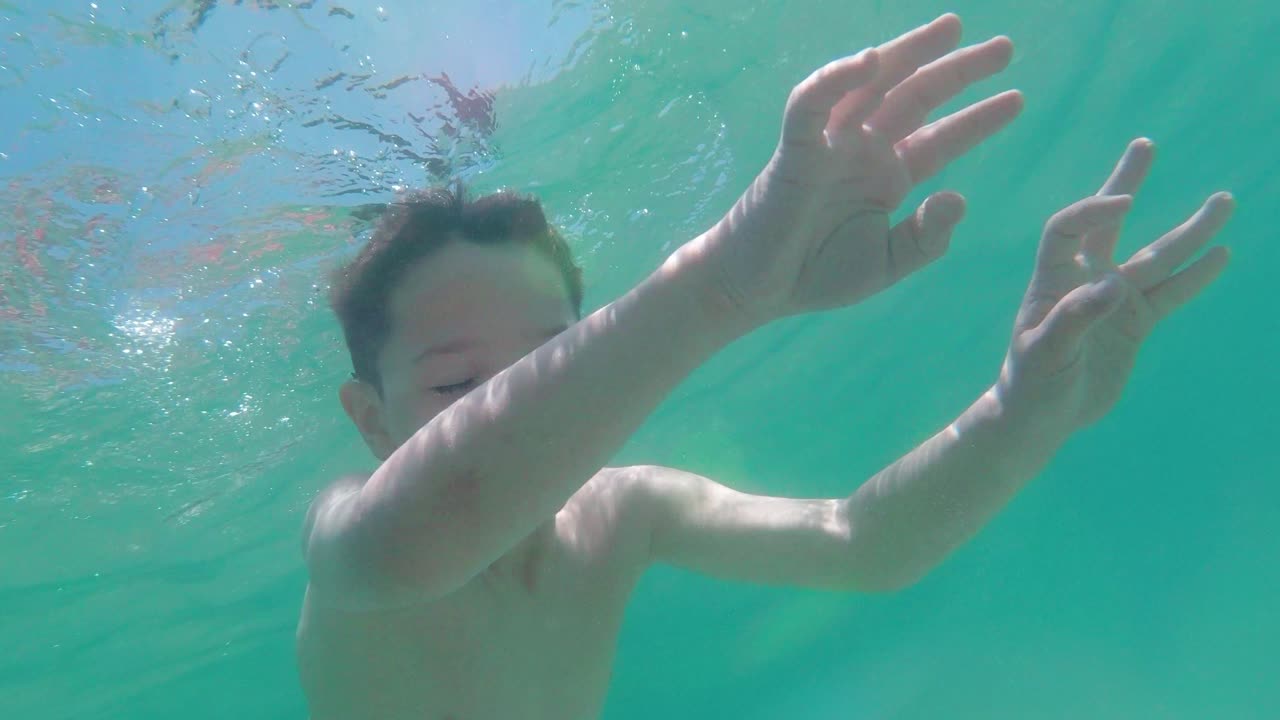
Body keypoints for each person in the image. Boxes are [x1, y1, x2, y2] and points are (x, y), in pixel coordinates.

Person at [295, 14, 1234, 720]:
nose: (517, 409)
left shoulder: (622, 510)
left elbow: (861, 543)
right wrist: (722, 288)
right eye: (459, 384)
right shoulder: (350, 541)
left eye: (559, 360)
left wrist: (1024, 416)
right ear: (369, 417)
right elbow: (431, 527)